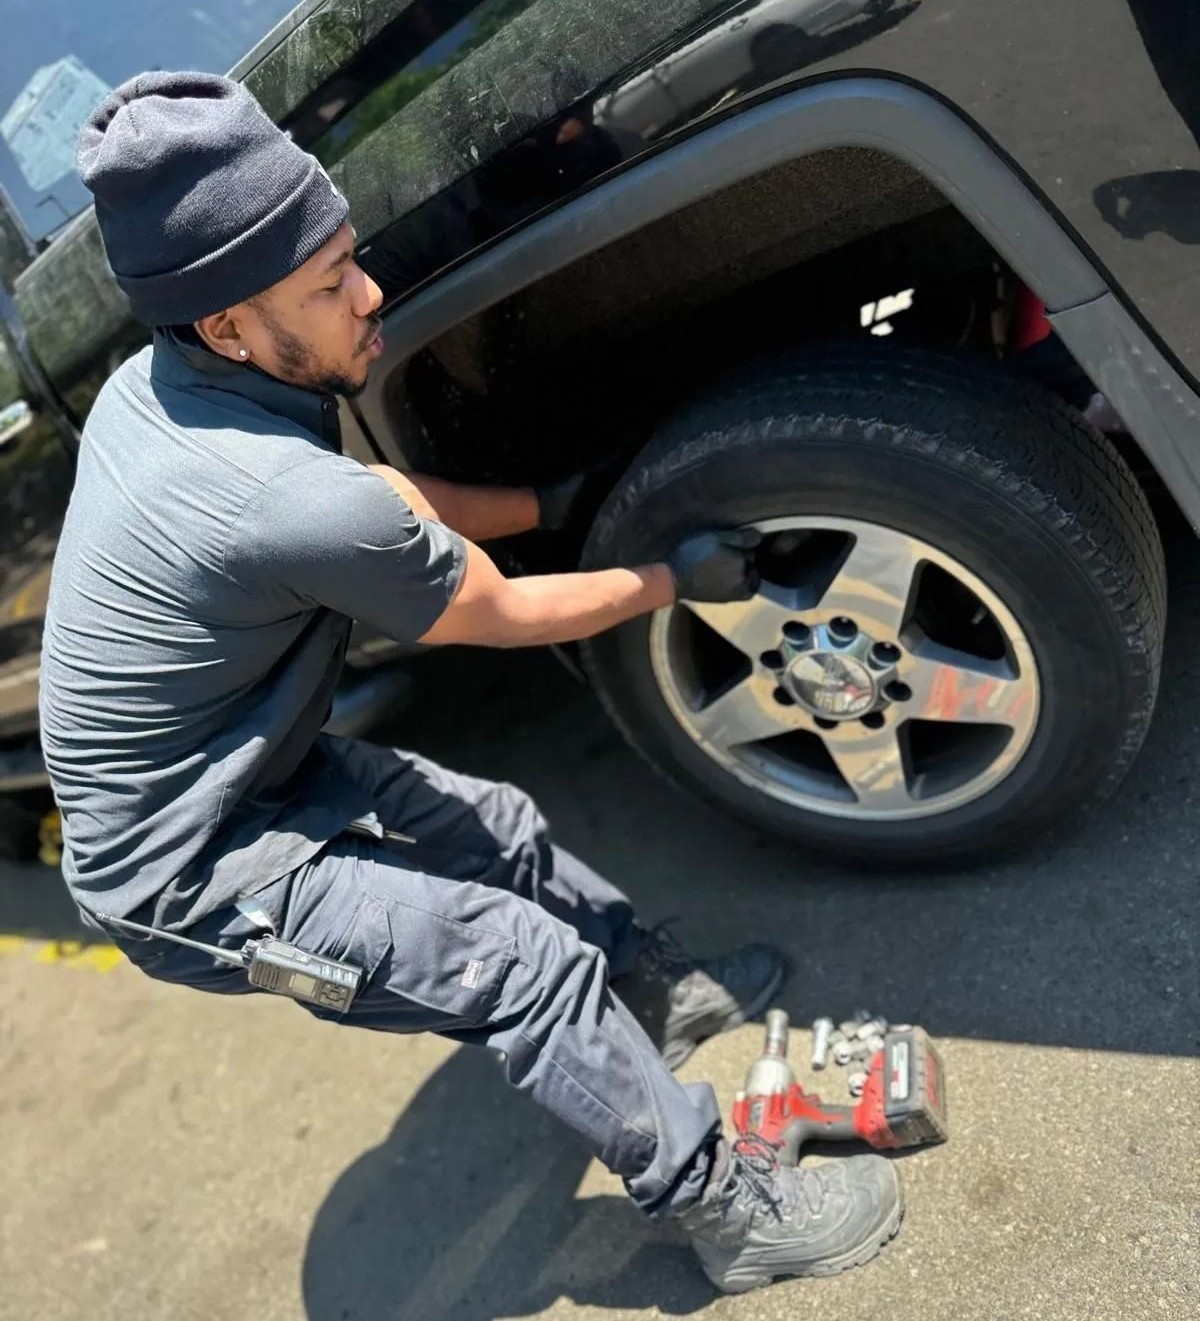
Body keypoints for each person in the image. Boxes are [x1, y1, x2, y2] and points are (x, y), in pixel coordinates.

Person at [39, 72, 901, 1295]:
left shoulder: (173, 380)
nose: (371, 293)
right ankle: (730, 1208)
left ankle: (655, 997)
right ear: (229, 322)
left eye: (351, 255)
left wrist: (550, 504)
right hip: (185, 874)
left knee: (496, 825)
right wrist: (667, 575)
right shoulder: (258, 483)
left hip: (247, 759)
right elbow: (492, 611)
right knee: (513, 961)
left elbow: (379, 516)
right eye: (328, 284)